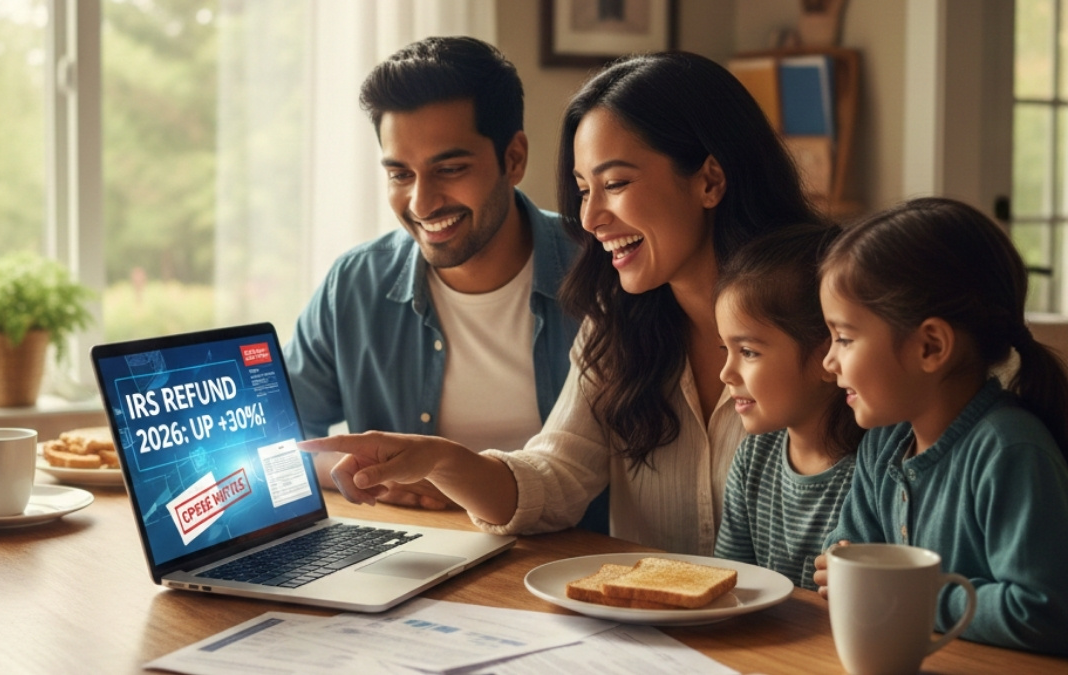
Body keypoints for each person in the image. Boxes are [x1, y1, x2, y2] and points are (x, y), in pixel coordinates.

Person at [300, 51, 824, 555]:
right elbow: (557, 476)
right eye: (583, 190)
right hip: (647, 613)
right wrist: (440, 460)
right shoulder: (617, 318)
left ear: (709, 180)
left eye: (615, 183)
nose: (590, 220)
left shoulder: (827, 313)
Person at [282, 37, 593, 520]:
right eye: (400, 175)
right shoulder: (354, 284)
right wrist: (370, 475)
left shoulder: (600, 272)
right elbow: (278, 439)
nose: (422, 203)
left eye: (449, 169)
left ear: (513, 159)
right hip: (417, 549)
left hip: (570, 553)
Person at [811, 197, 1068, 654]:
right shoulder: (883, 445)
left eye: (844, 338)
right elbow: (849, 544)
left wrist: (910, 596)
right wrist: (839, 563)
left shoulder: (1010, 452)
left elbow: (1043, 611)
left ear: (930, 346)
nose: (829, 361)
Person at [712, 223, 863, 590]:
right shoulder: (753, 460)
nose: (726, 373)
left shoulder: (873, 470)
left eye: (748, 352)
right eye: (725, 349)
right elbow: (730, 587)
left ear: (827, 357)